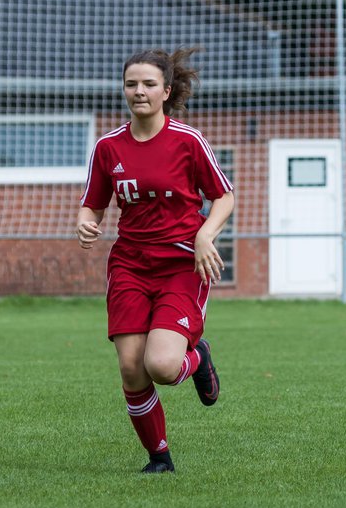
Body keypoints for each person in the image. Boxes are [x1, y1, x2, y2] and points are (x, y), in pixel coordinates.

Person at [77, 48, 236, 474]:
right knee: (132, 368)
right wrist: (84, 222)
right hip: (130, 264)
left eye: (148, 84)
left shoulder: (188, 140)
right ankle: (159, 458)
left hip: (183, 265)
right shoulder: (108, 147)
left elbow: (224, 196)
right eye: (131, 84)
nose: (139, 91)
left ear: (166, 91)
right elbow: (93, 204)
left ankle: (197, 357)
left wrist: (205, 235)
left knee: (163, 366)